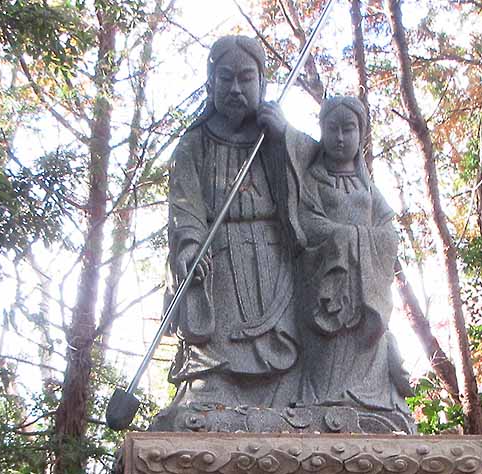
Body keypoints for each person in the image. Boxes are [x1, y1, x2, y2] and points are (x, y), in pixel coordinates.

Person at [164, 36, 299, 410]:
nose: (236, 88)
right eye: (226, 78)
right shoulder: (194, 144)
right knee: (217, 339)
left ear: (262, 83)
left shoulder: (274, 137)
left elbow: (312, 191)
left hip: (272, 253)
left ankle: (284, 388)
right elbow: (184, 205)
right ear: (211, 84)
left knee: (280, 340)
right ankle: (212, 384)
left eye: (246, 78)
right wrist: (190, 245)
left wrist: (284, 140)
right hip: (218, 252)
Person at [288, 96, 414, 420]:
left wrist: (365, 241)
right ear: (322, 131)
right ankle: (323, 401)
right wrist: (343, 237)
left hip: (364, 289)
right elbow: (307, 221)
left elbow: (387, 225)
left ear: (361, 134)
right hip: (327, 282)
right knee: (329, 345)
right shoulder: (314, 180)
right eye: (332, 129)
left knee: (365, 341)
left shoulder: (367, 186)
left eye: (348, 129)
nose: (340, 137)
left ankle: (369, 399)